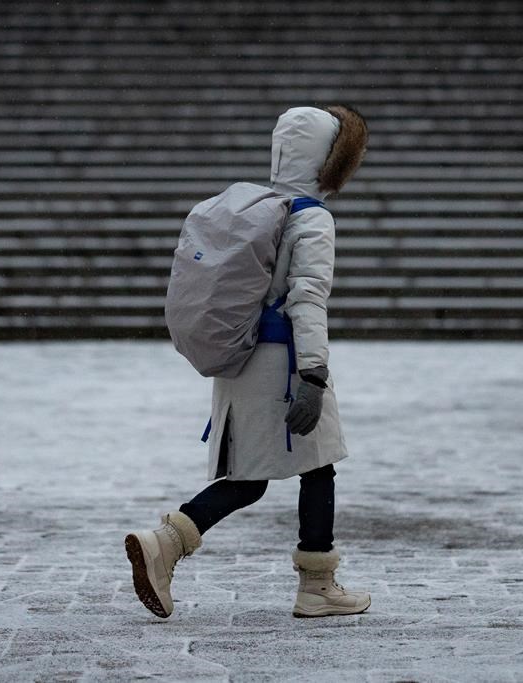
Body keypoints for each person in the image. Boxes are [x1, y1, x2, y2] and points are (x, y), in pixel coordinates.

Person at [125, 105, 370, 619]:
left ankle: (170, 542)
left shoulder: (256, 206)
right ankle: (313, 585)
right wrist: (315, 374)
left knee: (252, 475)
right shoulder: (311, 217)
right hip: (286, 364)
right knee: (315, 468)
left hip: (242, 357)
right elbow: (307, 299)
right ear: (330, 160)